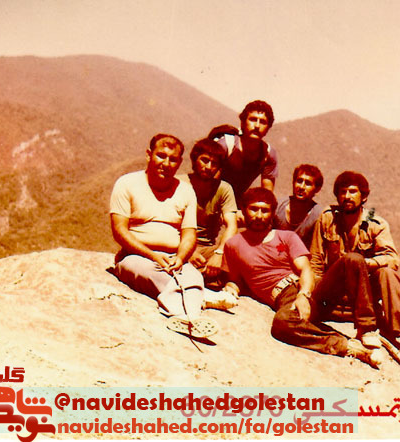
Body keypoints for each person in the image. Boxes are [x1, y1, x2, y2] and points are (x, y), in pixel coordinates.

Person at [221, 188, 385, 368]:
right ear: (244, 210)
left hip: (310, 289)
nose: (259, 215)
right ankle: (349, 347)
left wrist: (303, 295)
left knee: (352, 260)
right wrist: (230, 289)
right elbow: (235, 279)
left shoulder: (286, 237)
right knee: (283, 323)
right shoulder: (233, 244)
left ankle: (366, 329)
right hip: (284, 296)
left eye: (265, 210)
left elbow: (305, 269)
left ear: (272, 213)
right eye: (253, 209)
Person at [109, 133, 218, 338]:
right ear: (149, 155)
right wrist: (152, 255)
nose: (166, 163)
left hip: (174, 258)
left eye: (173, 159)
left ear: (179, 163)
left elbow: (189, 234)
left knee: (193, 276)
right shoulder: (127, 183)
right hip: (135, 256)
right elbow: (119, 231)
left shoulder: (185, 191)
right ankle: (182, 314)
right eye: (161, 156)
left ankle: (192, 318)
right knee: (156, 275)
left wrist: (181, 258)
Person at [310, 171, 400, 361]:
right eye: (342, 192)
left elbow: (392, 259)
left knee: (386, 273)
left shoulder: (375, 223)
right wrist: (310, 295)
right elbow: (316, 259)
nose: (347, 196)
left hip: (362, 297)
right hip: (333, 293)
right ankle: (366, 328)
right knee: (352, 259)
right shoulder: (328, 218)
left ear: (364, 197)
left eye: (353, 192)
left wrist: (366, 264)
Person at [178, 138, 238, 303]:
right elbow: (165, 223)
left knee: (239, 254)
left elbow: (232, 226)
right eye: (204, 160)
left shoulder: (223, 189)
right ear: (194, 160)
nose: (209, 166)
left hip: (206, 250)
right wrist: (187, 252)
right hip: (178, 244)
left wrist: (219, 253)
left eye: (214, 163)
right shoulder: (179, 183)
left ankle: (210, 280)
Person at [209, 100, 278, 207]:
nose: (257, 126)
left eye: (263, 122)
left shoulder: (268, 154)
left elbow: (267, 196)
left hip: (236, 202)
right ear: (242, 122)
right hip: (210, 198)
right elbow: (208, 183)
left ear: (268, 128)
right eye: (253, 119)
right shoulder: (226, 145)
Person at [274, 164, 324, 248]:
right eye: (299, 181)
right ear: (293, 183)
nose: (301, 187)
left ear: (317, 189)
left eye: (308, 183)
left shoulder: (318, 216)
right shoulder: (277, 206)